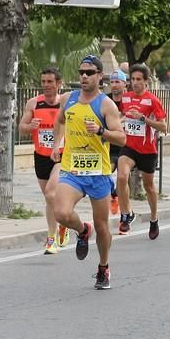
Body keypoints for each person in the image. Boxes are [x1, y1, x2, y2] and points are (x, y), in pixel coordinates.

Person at [51, 55, 126, 290]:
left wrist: (101, 130)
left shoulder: (106, 105)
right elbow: (60, 121)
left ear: (99, 76)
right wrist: (56, 145)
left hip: (98, 173)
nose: (84, 76)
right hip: (72, 168)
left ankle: (103, 267)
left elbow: (121, 137)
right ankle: (83, 231)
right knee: (61, 213)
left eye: (89, 72)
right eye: (81, 72)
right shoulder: (68, 99)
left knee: (102, 226)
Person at [18, 67, 68, 255]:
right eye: (44, 82)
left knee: (50, 194)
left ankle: (51, 239)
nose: (46, 85)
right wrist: (29, 126)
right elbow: (21, 127)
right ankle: (63, 223)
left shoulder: (65, 103)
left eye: (50, 82)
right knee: (51, 200)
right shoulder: (34, 103)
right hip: (41, 156)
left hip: (61, 155)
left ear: (58, 83)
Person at [116, 63, 168, 239]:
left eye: (139, 79)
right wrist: (120, 120)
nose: (135, 82)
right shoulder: (125, 98)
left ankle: (154, 218)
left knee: (149, 186)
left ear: (146, 81)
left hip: (147, 149)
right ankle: (126, 213)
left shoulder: (153, 100)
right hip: (129, 146)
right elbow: (121, 115)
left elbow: (164, 127)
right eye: (132, 79)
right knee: (122, 176)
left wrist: (144, 118)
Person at [106, 68, 128, 215]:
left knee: (123, 178)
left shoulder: (129, 100)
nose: (114, 85)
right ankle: (114, 195)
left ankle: (125, 216)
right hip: (108, 145)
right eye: (112, 82)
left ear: (124, 84)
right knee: (105, 175)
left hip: (126, 147)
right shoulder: (105, 100)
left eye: (117, 82)